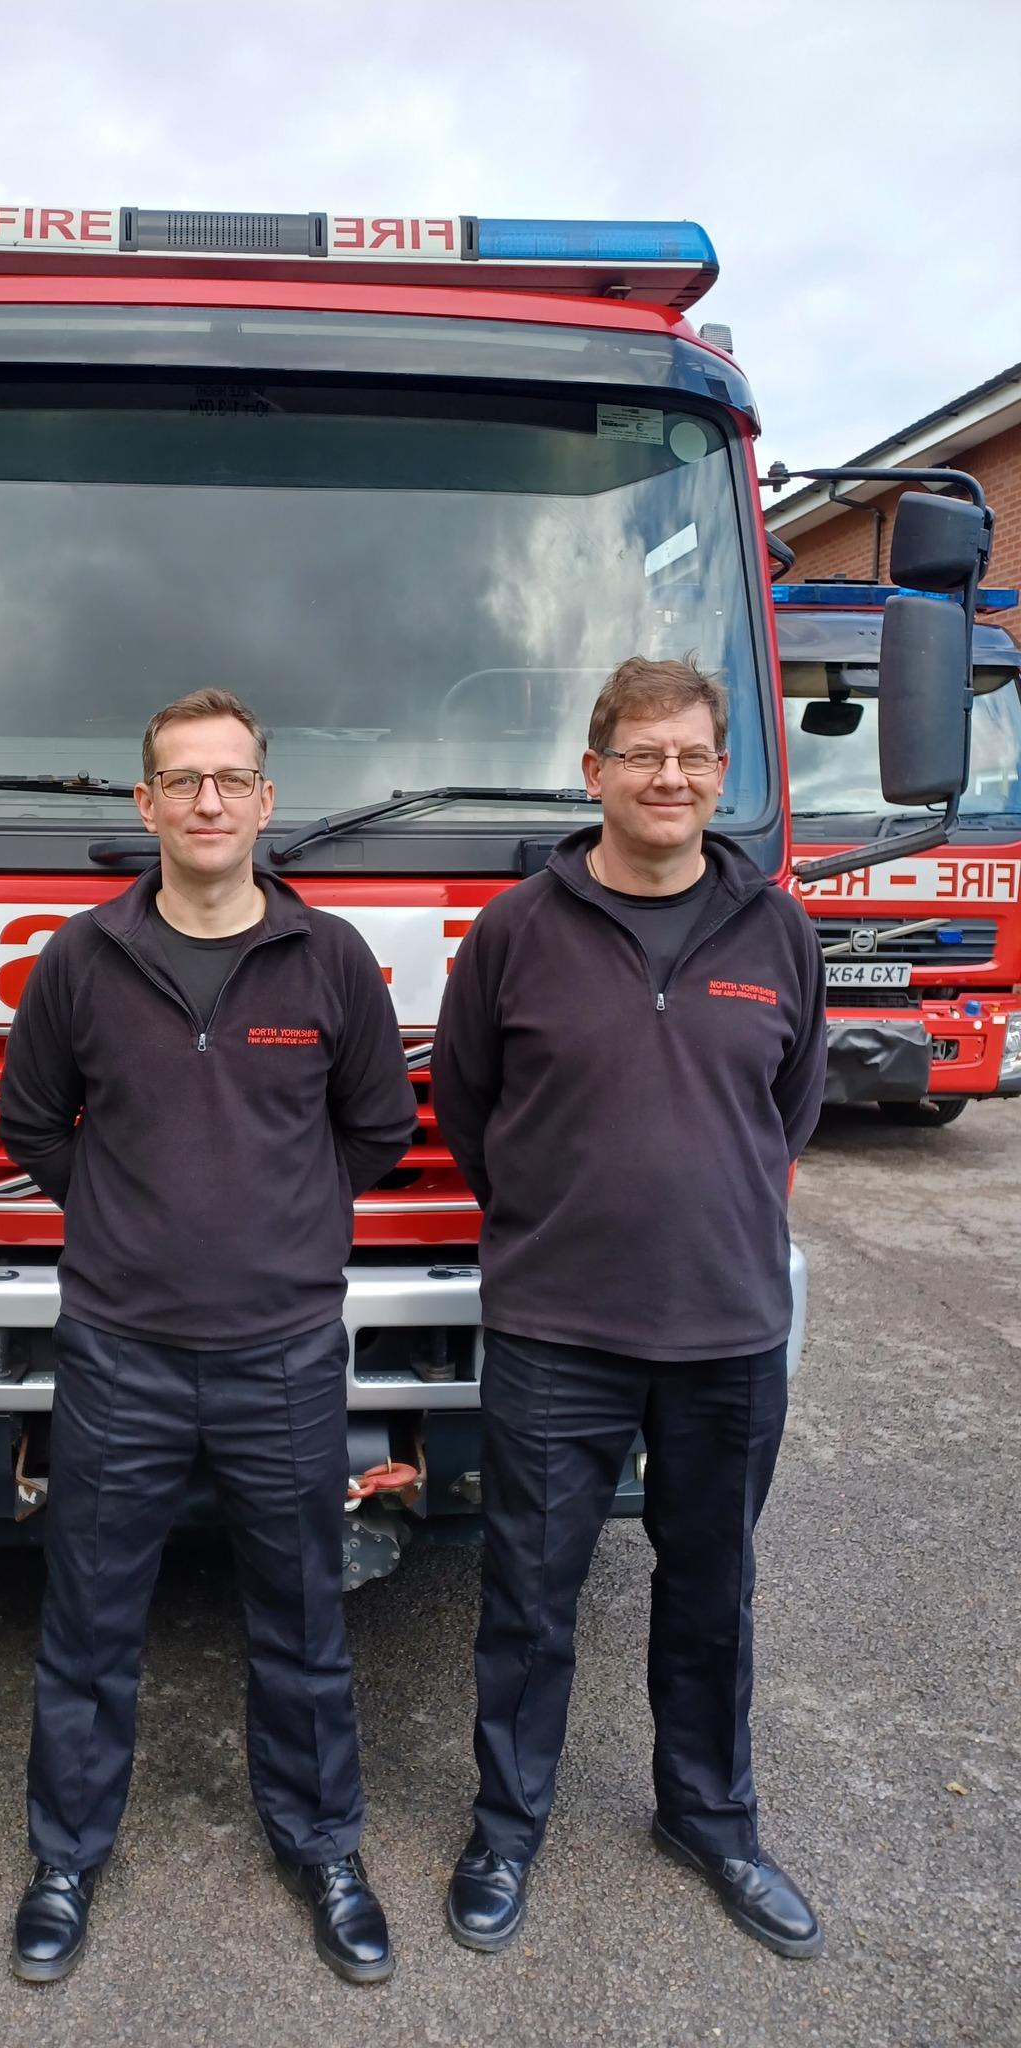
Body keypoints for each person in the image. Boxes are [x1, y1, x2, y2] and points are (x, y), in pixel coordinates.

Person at [0, 688, 417, 1986]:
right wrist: (134, 1227)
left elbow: (377, 1132)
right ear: (147, 803)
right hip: (119, 1351)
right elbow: (31, 1128)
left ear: (265, 800)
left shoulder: (330, 960)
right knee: (90, 1619)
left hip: (282, 1353)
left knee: (301, 1618)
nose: (208, 802)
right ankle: (66, 1857)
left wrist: (277, 1231)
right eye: (182, 780)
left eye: (231, 779)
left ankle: (325, 1845)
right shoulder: (82, 960)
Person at [432, 656, 828, 1962]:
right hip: (557, 1330)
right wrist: (559, 1222)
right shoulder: (515, 934)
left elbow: (790, 1112)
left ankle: (710, 1819)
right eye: (643, 757)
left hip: (726, 1331)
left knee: (712, 1588)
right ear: (594, 772)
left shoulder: (777, 934)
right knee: (531, 1597)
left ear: (724, 774)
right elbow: (475, 1115)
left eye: (694, 758)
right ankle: (506, 1829)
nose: (670, 780)